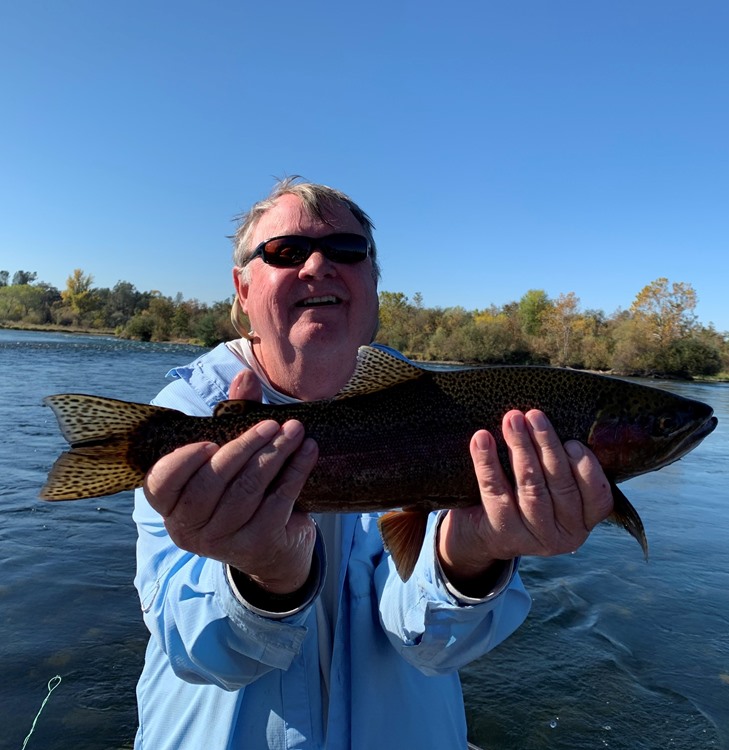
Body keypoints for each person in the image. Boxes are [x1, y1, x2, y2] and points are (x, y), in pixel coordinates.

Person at [133, 178, 614, 749]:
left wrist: (471, 555)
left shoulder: (448, 413)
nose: (319, 264)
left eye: (346, 250)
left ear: (373, 284)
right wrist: (265, 578)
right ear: (242, 288)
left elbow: (435, 648)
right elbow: (189, 646)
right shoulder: (186, 421)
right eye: (287, 252)